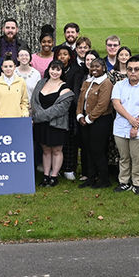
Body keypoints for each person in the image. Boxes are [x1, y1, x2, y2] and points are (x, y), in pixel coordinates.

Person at [111, 55, 139, 194]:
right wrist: (130, 119)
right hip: (120, 127)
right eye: (130, 69)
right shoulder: (119, 85)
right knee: (124, 157)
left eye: (136, 69)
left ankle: (138, 183)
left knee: (138, 158)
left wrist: (135, 126)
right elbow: (116, 104)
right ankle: (124, 181)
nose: (133, 72)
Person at [30, 61, 75, 187]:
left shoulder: (65, 88)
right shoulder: (41, 83)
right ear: (48, 70)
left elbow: (60, 109)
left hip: (57, 125)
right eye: (52, 69)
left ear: (62, 72)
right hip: (42, 125)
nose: (54, 72)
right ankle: (45, 176)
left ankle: (54, 176)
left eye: (58, 70)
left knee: (56, 150)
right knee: (45, 150)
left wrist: (38, 117)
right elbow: (34, 101)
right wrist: (38, 116)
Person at [76, 58, 114, 188]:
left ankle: (104, 179)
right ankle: (90, 178)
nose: (94, 69)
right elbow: (81, 99)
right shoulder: (88, 81)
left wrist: (89, 119)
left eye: (97, 66)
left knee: (97, 150)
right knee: (88, 150)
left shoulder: (106, 83)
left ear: (103, 68)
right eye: (92, 67)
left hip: (100, 121)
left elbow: (102, 105)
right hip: (85, 120)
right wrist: (79, 115)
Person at [53, 44, 84, 180]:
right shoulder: (53, 69)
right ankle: (57, 168)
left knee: (71, 140)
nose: (62, 57)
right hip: (56, 111)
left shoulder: (76, 70)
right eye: (60, 54)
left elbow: (76, 91)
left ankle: (69, 168)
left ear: (70, 56)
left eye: (65, 54)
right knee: (58, 140)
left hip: (71, 109)